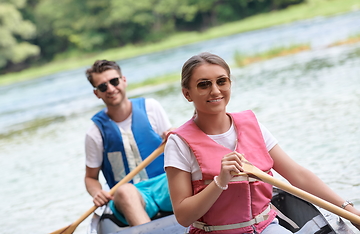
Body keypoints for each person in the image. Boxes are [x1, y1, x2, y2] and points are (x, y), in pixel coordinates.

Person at [164, 52, 360, 233]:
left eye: (221, 81)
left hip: (266, 227)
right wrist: (219, 182)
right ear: (187, 94)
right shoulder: (179, 143)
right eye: (204, 84)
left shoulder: (252, 125)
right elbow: (183, 216)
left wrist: (349, 210)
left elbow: (298, 175)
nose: (215, 91)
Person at [84, 59, 173, 226]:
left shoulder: (151, 107)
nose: (110, 89)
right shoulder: (94, 133)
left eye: (114, 81)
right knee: (124, 191)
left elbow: (177, 146)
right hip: (131, 195)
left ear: (123, 80)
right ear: (97, 93)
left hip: (165, 183)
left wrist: (174, 136)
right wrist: (97, 192)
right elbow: (90, 177)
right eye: (103, 86)